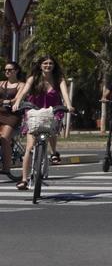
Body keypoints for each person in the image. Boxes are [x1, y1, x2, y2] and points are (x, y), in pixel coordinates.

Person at [11, 55, 75, 190]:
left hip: (52, 111)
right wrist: (17, 102)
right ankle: (24, 179)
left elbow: (65, 94)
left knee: (52, 128)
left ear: (54, 66)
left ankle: (53, 153)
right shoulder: (33, 78)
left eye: (51, 63)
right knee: (29, 147)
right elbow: (24, 91)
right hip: (34, 113)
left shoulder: (59, 79)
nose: (48, 66)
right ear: (40, 65)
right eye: (45, 63)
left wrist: (69, 106)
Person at [0, 62, 24, 177]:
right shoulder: (1, 83)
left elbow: (16, 99)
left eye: (10, 69)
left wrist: (8, 102)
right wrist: (4, 102)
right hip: (0, 112)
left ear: (17, 71)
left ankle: (6, 168)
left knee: (5, 138)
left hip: (12, 115)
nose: (7, 72)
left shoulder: (21, 85)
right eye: (6, 70)